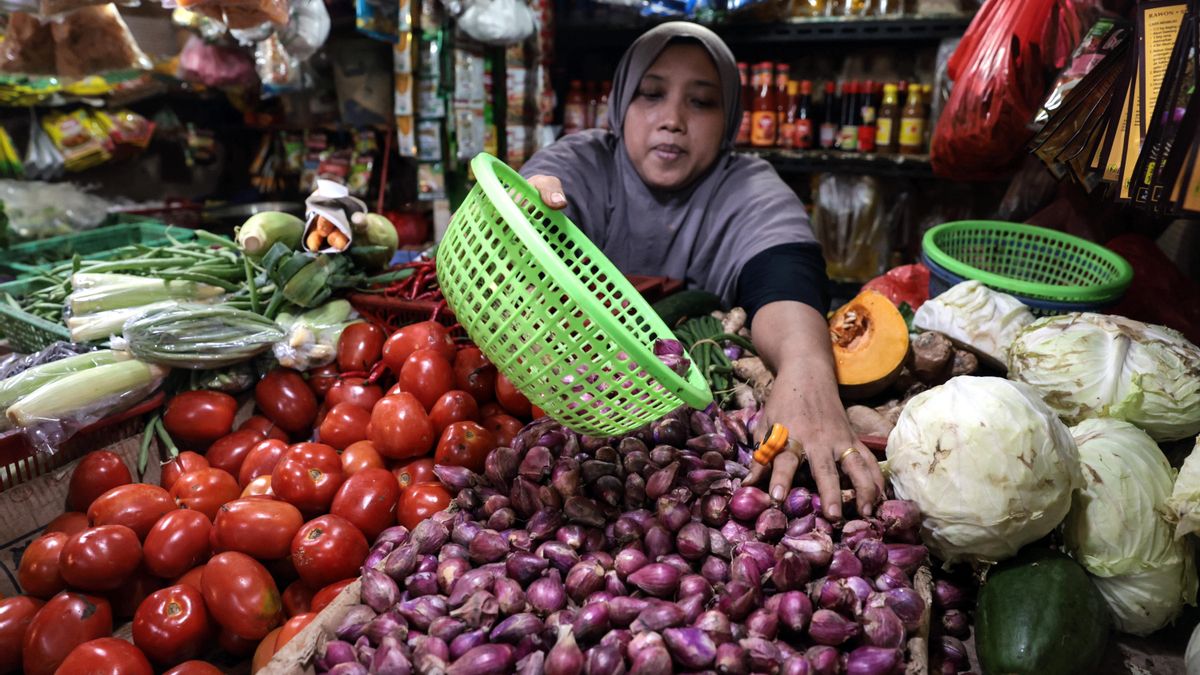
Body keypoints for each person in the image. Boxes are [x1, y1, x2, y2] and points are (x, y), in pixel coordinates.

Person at [519, 22, 884, 519]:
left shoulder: (748, 186)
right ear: (620, 103)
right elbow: (529, 214)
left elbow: (784, 275)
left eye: (701, 101)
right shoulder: (583, 162)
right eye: (650, 94)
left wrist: (805, 371)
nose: (671, 119)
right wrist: (524, 208)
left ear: (730, 117)